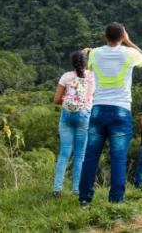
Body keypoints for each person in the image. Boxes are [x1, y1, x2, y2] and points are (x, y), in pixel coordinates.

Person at [78, 23, 142, 206]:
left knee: (91, 156)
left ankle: (85, 199)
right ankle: (116, 200)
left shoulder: (95, 53)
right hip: (121, 109)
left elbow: (86, 63)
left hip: (98, 108)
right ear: (122, 36)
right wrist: (129, 41)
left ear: (105, 36)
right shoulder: (129, 53)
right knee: (118, 157)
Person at [52, 51, 95, 197]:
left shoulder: (66, 76)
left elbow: (56, 100)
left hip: (67, 114)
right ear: (86, 63)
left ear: (72, 64)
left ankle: (57, 189)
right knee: (79, 155)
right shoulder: (92, 77)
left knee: (64, 154)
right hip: (83, 115)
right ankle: (76, 190)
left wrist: (68, 100)